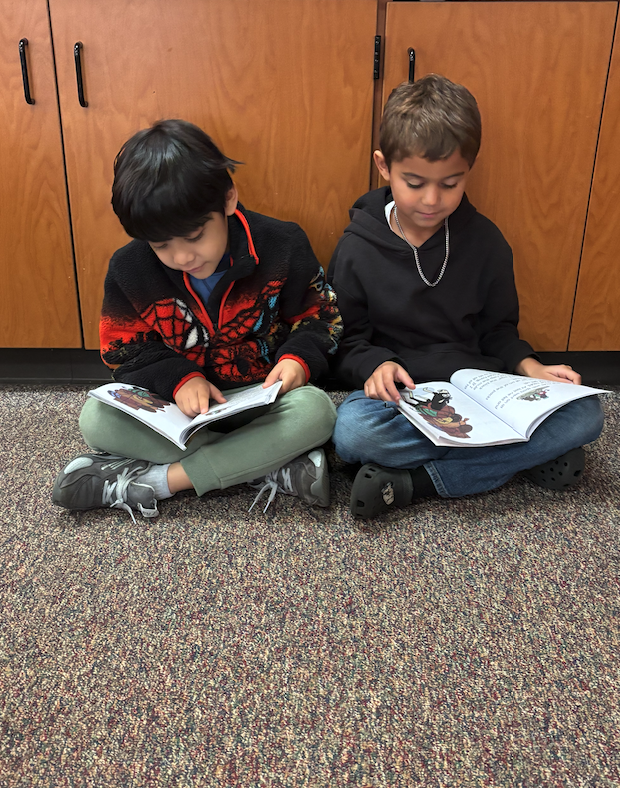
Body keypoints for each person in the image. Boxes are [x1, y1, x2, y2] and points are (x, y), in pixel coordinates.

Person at [327, 74, 604, 519]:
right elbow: (346, 342)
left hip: (480, 389)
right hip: (405, 397)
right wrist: (374, 365)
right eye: (414, 183)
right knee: (355, 434)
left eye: (450, 183)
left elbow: (498, 330)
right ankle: (525, 459)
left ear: (468, 171)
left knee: (587, 413)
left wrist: (532, 367)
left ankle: (415, 483)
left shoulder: (486, 242)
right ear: (383, 166)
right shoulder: (357, 248)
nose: (432, 200)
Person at [53, 120, 342, 521]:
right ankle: (267, 463)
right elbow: (124, 353)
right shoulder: (129, 268)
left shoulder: (283, 244)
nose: (183, 257)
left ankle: (159, 482)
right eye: (162, 245)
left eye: (194, 236)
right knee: (97, 418)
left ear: (228, 199)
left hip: (261, 398)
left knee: (317, 412)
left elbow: (321, 317)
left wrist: (297, 359)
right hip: (181, 415)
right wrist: (180, 379)